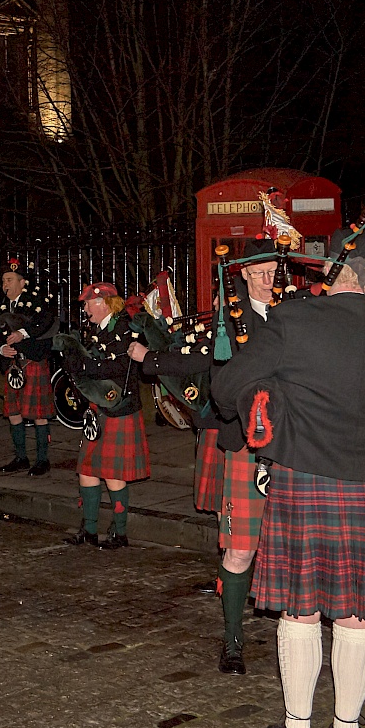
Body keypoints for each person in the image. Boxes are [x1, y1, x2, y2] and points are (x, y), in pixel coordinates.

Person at [212, 227, 365, 728]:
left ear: (334, 271)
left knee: (300, 609)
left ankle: (298, 727)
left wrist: (264, 399)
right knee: (359, 613)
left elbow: (224, 389)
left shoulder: (293, 321)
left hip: (305, 477)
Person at [128, 237, 279, 675]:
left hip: (294, 445)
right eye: (260, 272)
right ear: (244, 275)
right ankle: (233, 640)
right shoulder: (229, 323)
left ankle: (297, 626)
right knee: (238, 551)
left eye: (274, 271)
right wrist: (151, 358)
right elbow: (196, 360)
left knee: (292, 547)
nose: (269, 280)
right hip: (245, 444)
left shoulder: (297, 311)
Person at [66, 282, 149, 548]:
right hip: (97, 407)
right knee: (87, 470)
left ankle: (120, 532)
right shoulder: (96, 329)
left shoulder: (124, 329)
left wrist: (85, 364)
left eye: (89, 303)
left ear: (103, 303)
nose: (86, 308)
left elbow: (120, 365)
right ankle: (89, 529)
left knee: (114, 474)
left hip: (118, 408)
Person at [0, 258, 58, 475]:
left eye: (10, 280)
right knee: (14, 412)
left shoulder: (37, 302)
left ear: (23, 282)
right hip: (13, 365)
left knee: (39, 414)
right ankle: (21, 457)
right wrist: (2, 349)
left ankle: (42, 460)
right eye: (3, 280)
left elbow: (48, 322)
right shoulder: (3, 305)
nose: (5, 284)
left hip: (32, 363)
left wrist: (23, 334)